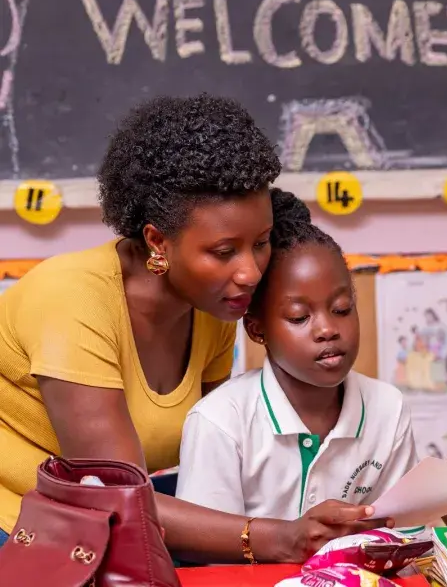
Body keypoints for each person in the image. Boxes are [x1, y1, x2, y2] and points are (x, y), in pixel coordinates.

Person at [0, 95, 372, 560]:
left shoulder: (215, 305)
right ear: (158, 240)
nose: (251, 273)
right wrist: (281, 536)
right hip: (26, 528)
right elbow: (119, 499)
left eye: (259, 243)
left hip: (124, 520)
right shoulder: (71, 299)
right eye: (223, 251)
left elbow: (221, 441)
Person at [176, 190, 419, 532]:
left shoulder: (387, 408)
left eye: (341, 310)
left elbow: (405, 530)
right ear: (257, 329)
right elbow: (207, 552)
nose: (327, 330)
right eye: (298, 317)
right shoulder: (221, 422)